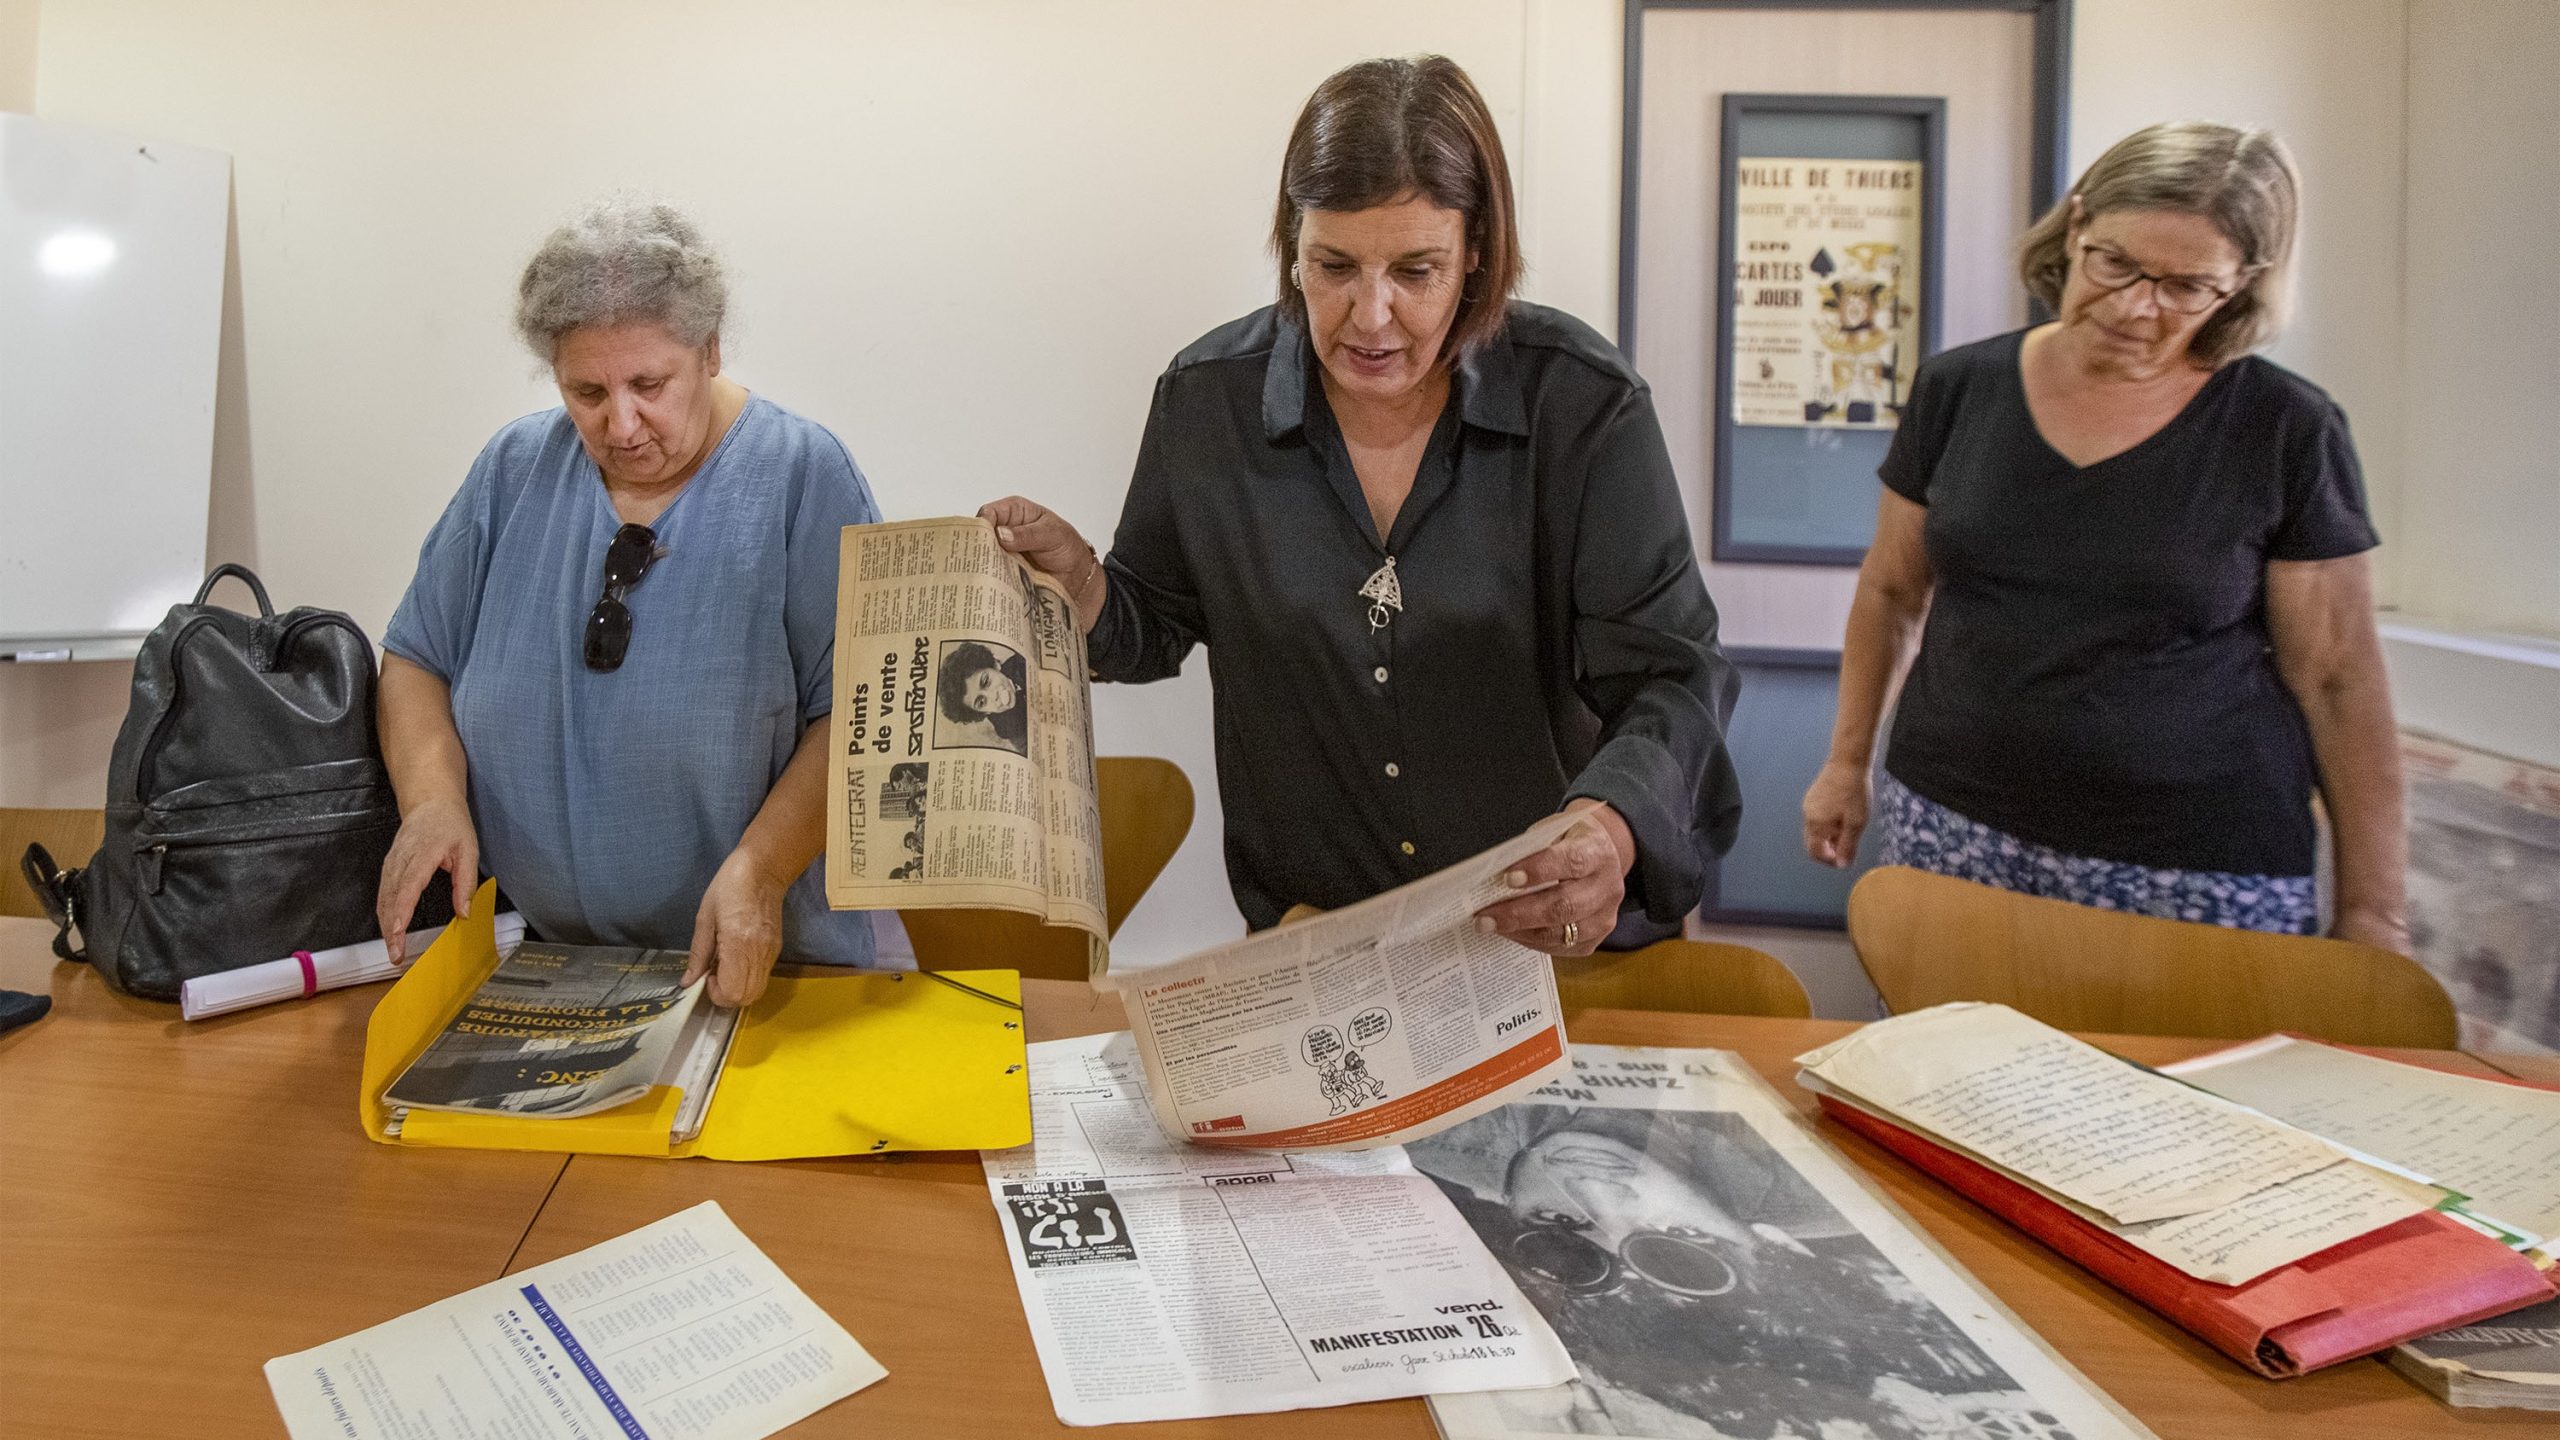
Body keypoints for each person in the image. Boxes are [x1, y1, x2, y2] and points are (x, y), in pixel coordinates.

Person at [982, 55, 1740, 953]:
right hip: (1324, 947)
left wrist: (1611, 828)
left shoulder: (1580, 406)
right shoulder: (1206, 404)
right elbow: (1156, 618)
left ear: (1478, 256)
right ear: (1289, 246)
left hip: (1556, 945)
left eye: (1416, 272)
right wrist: (1086, 591)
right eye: (1333, 266)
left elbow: (1673, 676)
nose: (1370, 317)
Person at [1802, 122, 2407, 949]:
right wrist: (1846, 761)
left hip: (2196, 862)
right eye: (2114, 262)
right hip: (1955, 824)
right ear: (2076, 224)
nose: (2134, 306)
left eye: (2187, 286)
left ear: (2245, 285)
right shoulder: (1959, 388)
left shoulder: (2286, 428)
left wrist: (2374, 910)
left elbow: (2338, 678)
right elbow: (1892, 589)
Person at [374, 197, 882, 1005]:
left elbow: (861, 717)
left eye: (649, 383)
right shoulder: (512, 470)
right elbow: (416, 659)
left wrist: (762, 868)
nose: (621, 423)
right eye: (586, 391)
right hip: (548, 969)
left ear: (710, 350)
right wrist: (431, 801)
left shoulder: (802, 476)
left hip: (769, 972)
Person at [934, 640, 1029, 753]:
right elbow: (1026, 749)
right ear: (985, 713)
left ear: (995, 665)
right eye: (981, 702)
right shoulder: (1006, 726)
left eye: (986, 681)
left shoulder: (1021, 662)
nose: (994, 696)